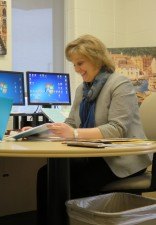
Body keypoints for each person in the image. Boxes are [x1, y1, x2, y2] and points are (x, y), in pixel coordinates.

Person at [35, 35, 152, 225]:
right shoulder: (83, 89)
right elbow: (71, 123)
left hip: (122, 160)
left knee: (76, 181)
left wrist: (73, 134)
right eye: (73, 64)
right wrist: (41, 131)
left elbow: (117, 129)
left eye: (80, 63)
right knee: (46, 174)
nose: (76, 69)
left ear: (96, 58)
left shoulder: (120, 84)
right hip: (97, 156)